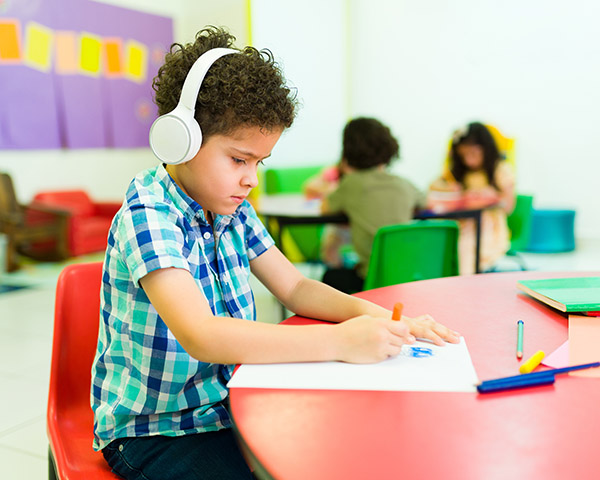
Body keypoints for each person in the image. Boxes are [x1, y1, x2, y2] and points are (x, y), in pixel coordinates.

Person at [91, 27, 460, 480]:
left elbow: (297, 286)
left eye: (259, 163)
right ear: (180, 140)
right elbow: (201, 335)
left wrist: (382, 318)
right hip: (157, 432)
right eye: (239, 160)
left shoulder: (231, 209)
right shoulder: (148, 214)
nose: (251, 179)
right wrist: (338, 342)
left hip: (231, 405)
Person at [320, 117, 427, 293]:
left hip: (370, 281)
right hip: (409, 277)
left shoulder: (351, 184)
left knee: (330, 276)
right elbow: (425, 201)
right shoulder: (404, 184)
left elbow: (325, 208)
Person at [429, 122, 516, 274]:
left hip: (489, 228)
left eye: (473, 154)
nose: (468, 160)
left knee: (467, 245)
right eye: (463, 156)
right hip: (463, 224)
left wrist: (494, 197)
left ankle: (466, 280)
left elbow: (509, 206)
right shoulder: (459, 173)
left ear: (486, 150)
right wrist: (450, 189)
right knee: (442, 241)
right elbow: (432, 188)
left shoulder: (500, 169)